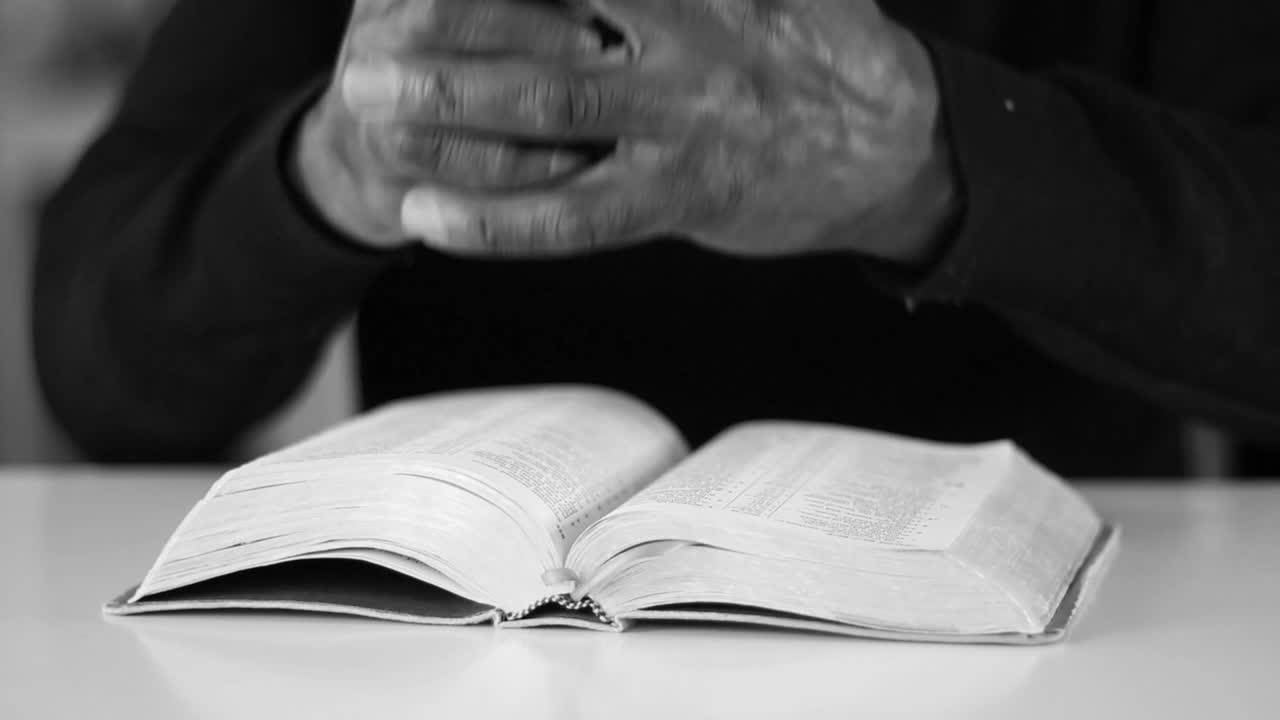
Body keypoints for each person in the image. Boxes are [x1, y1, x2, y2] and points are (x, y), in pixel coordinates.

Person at [32, 0, 1280, 475]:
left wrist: (927, 161)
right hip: (496, 654)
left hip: (1059, 647)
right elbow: (100, 360)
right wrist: (339, 166)